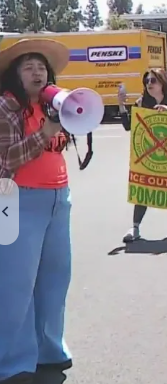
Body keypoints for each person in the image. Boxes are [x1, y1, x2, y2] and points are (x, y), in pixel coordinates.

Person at [0, 39, 76, 382]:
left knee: (55, 280)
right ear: (16, 74)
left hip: (58, 198)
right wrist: (44, 133)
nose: (37, 73)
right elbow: (6, 157)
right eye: (28, 67)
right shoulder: (7, 106)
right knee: (16, 284)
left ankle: (49, 349)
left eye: (41, 67)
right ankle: (13, 362)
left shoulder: (52, 105)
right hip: (17, 199)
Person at [117, 69, 167, 242]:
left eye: (153, 80)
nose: (149, 84)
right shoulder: (141, 103)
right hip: (148, 154)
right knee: (143, 189)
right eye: (147, 81)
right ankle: (135, 227)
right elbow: (128, 126)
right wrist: (121, 105)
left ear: (163, 82)